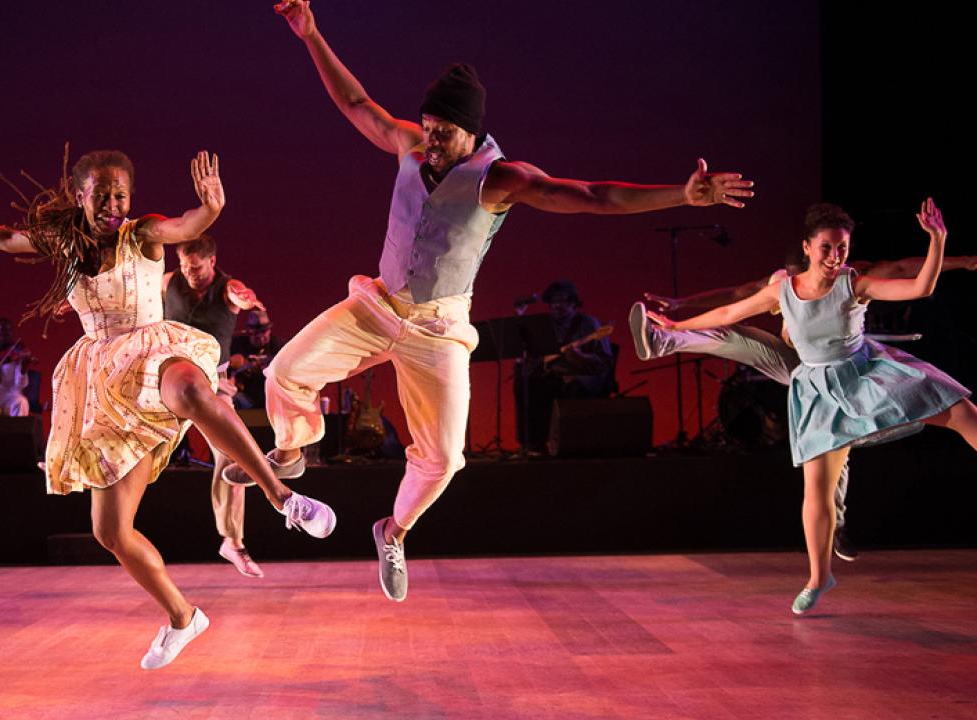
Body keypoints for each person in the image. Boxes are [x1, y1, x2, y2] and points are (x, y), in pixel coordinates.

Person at [222, 0, 755, 603]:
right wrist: (311, 35)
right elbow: (355, 104)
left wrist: (682, 196)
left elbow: (594, 195)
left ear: (472, 131)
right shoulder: (412, 148)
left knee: (444, 459)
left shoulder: (500, 179)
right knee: (285, 371)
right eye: (427, 126)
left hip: (438, 330)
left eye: (444, 131)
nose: (432, 139)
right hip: (378, 307)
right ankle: (292, 451)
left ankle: (392, 530)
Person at [0, 149, 335, 670]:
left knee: (195, 392)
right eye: (102, 194)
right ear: (81, 195)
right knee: (110, 531)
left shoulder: (143, 233)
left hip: (153, 352)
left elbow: (187, 224)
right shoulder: (64, 242)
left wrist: (211, 209)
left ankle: (282, 496)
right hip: (102, 383)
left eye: (121, 195)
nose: (113, 204)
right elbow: (3, 237)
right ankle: (182, 616)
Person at [646, 200, 975, 614]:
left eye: (842, 248)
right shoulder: (782, 289)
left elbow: (919, 287)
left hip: (865, 376)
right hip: (819, 394)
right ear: (807, 247)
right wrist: (678, 323)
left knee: (961, 412)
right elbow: (731, 309)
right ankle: (820, 577)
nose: (835, 256)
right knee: (817, 490)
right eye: (827, 247)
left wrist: (938, 240)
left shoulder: (854, 284)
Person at [162, 235, 268, 578]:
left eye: (196, 268)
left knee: (233, 459)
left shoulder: (226, 288)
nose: (189, 274)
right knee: (127, 425)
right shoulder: (168, 282)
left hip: (212, 387)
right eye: (184, 267)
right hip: (168, 383)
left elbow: (240, 293)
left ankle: (232, 541)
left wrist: (247, 299)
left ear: (211, 262)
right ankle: (70, 462)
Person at [513, 280, 612, 455]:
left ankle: (573, 444)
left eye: (564, 301)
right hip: (553, 374)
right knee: (525, 384)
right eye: (554, 301)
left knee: (575, 386)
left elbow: (604, 362)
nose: (558, 305)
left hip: (584, 374)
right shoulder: (544, 325)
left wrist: (581, 357)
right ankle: (532, 444)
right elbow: (533, 354)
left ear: (574, 304)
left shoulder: (589, 324)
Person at [0, 317, 36, 418]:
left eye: (9, 331)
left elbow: (19, 386)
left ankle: (19, 433)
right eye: (3, 331)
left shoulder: (16, 352)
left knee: (22, 402)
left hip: (11, 397)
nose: (7, 334)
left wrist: (24, 367)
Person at [229, 310, 284, 409]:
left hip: (269, 395)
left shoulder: (278, 347)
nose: (260, 336)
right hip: (242, 396)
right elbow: (223, 368)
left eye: (263, 331)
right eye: (255, 332)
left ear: (269, 330)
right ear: (248, 332)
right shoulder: (236, 345)